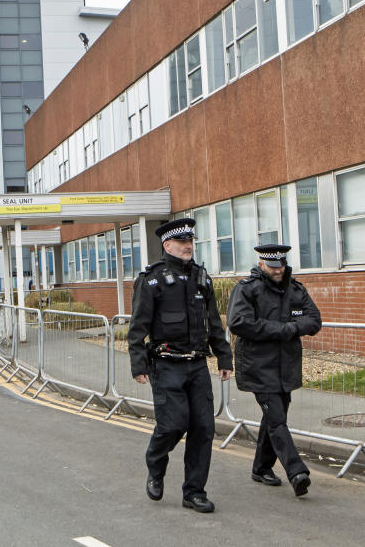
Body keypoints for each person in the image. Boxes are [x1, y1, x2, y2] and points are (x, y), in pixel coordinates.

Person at [128, 218, 233, 513]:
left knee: (203, 428)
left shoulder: (202, 278)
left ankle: (194, 492)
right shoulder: (152, 280)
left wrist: (224, 356)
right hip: (166, 364)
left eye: (191, 241)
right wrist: (139, 364)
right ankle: (156, 468)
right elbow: (138, 327)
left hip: (197, 365)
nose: (188, 246)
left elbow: (213, 322)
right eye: (182, 242)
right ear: (167, 245)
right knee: (173, 425)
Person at [227, 243, 322, 497]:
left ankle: (261, 468)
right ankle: (297, 471)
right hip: (258, 367)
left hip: (286, 367)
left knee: (273, 418)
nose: (277, 271)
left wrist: (289, 328)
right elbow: (240, 323)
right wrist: (286, 329)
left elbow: (314, 320)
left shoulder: (295, 289)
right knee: (277, 419)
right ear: (261, 265)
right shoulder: (247, 289)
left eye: (280, 266)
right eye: (272, 266)